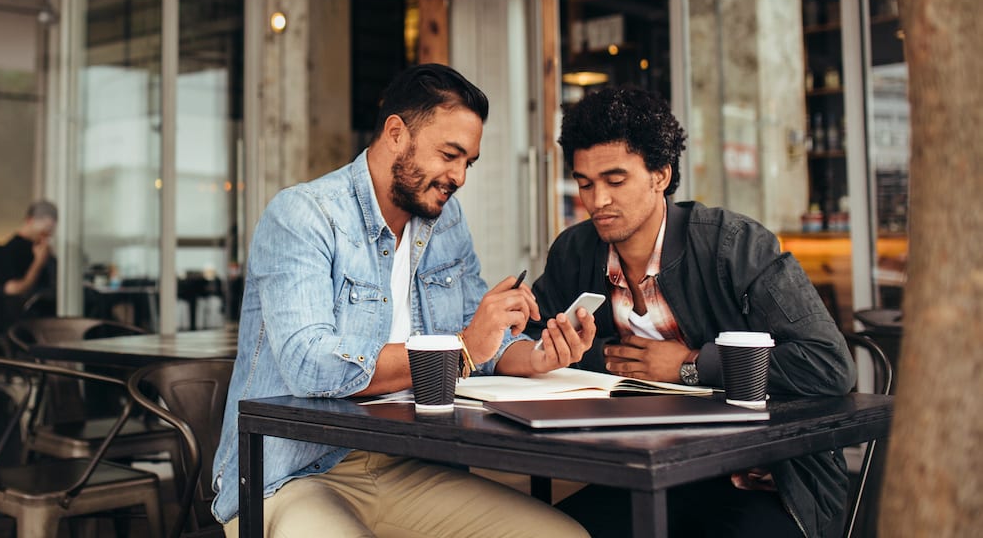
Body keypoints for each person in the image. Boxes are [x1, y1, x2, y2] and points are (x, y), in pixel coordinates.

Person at [210, 64, 594, 537]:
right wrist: (463, 348)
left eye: (468, 162)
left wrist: (537, 357)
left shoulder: (445, 223)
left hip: (409, 462)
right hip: (293, 472)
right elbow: (308, 365)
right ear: (396, 133)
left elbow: (479, 350)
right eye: (450, 155)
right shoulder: (304, 216)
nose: (459, 177)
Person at [529, 87, 856, 537]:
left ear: (660, 175)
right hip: (645, 471)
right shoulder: (575, 252)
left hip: (762, 477)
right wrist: (599, 355)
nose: (597, 199)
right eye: (585, 183)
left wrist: (690, 365)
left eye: (615, 180)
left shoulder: (733, 244)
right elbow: (532, 344)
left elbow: (828, 364)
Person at [0, 200, 57, 299]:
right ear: (29, 221)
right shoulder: (13, 249)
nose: (46, 237)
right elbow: (13, 291)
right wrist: (38, 263)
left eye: (49, 233)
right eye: (43, 232)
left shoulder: (42, 248)